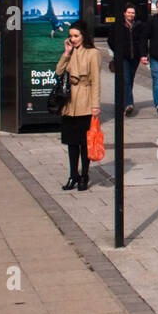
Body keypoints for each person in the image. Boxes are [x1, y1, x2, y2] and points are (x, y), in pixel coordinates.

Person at [54, 24, 101, 191]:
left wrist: (95, 105)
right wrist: (66, 53)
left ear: (83, 36)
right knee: (71, 142)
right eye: (71, 36)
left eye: (76, 36)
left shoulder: (93, 53)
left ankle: (85, 175)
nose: (72, 39)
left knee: (83, 142)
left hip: (85, 99)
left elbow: (95, 80)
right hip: (69, 101)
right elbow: (58, 72)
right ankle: (73, 174)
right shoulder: (70, 52)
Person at [109, 5, 148, 117]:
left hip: (134, 57)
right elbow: (110, 40)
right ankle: (129, 104)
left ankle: (123, 103)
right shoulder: (117, 25)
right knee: (126, 79)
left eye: (133, 13)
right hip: (123, 57)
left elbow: (142, 41)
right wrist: (118, 51)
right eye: (129, 12)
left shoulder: (138, 26)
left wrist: (143, 54)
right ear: (124, 13)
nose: (131, 15)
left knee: (130, 80)